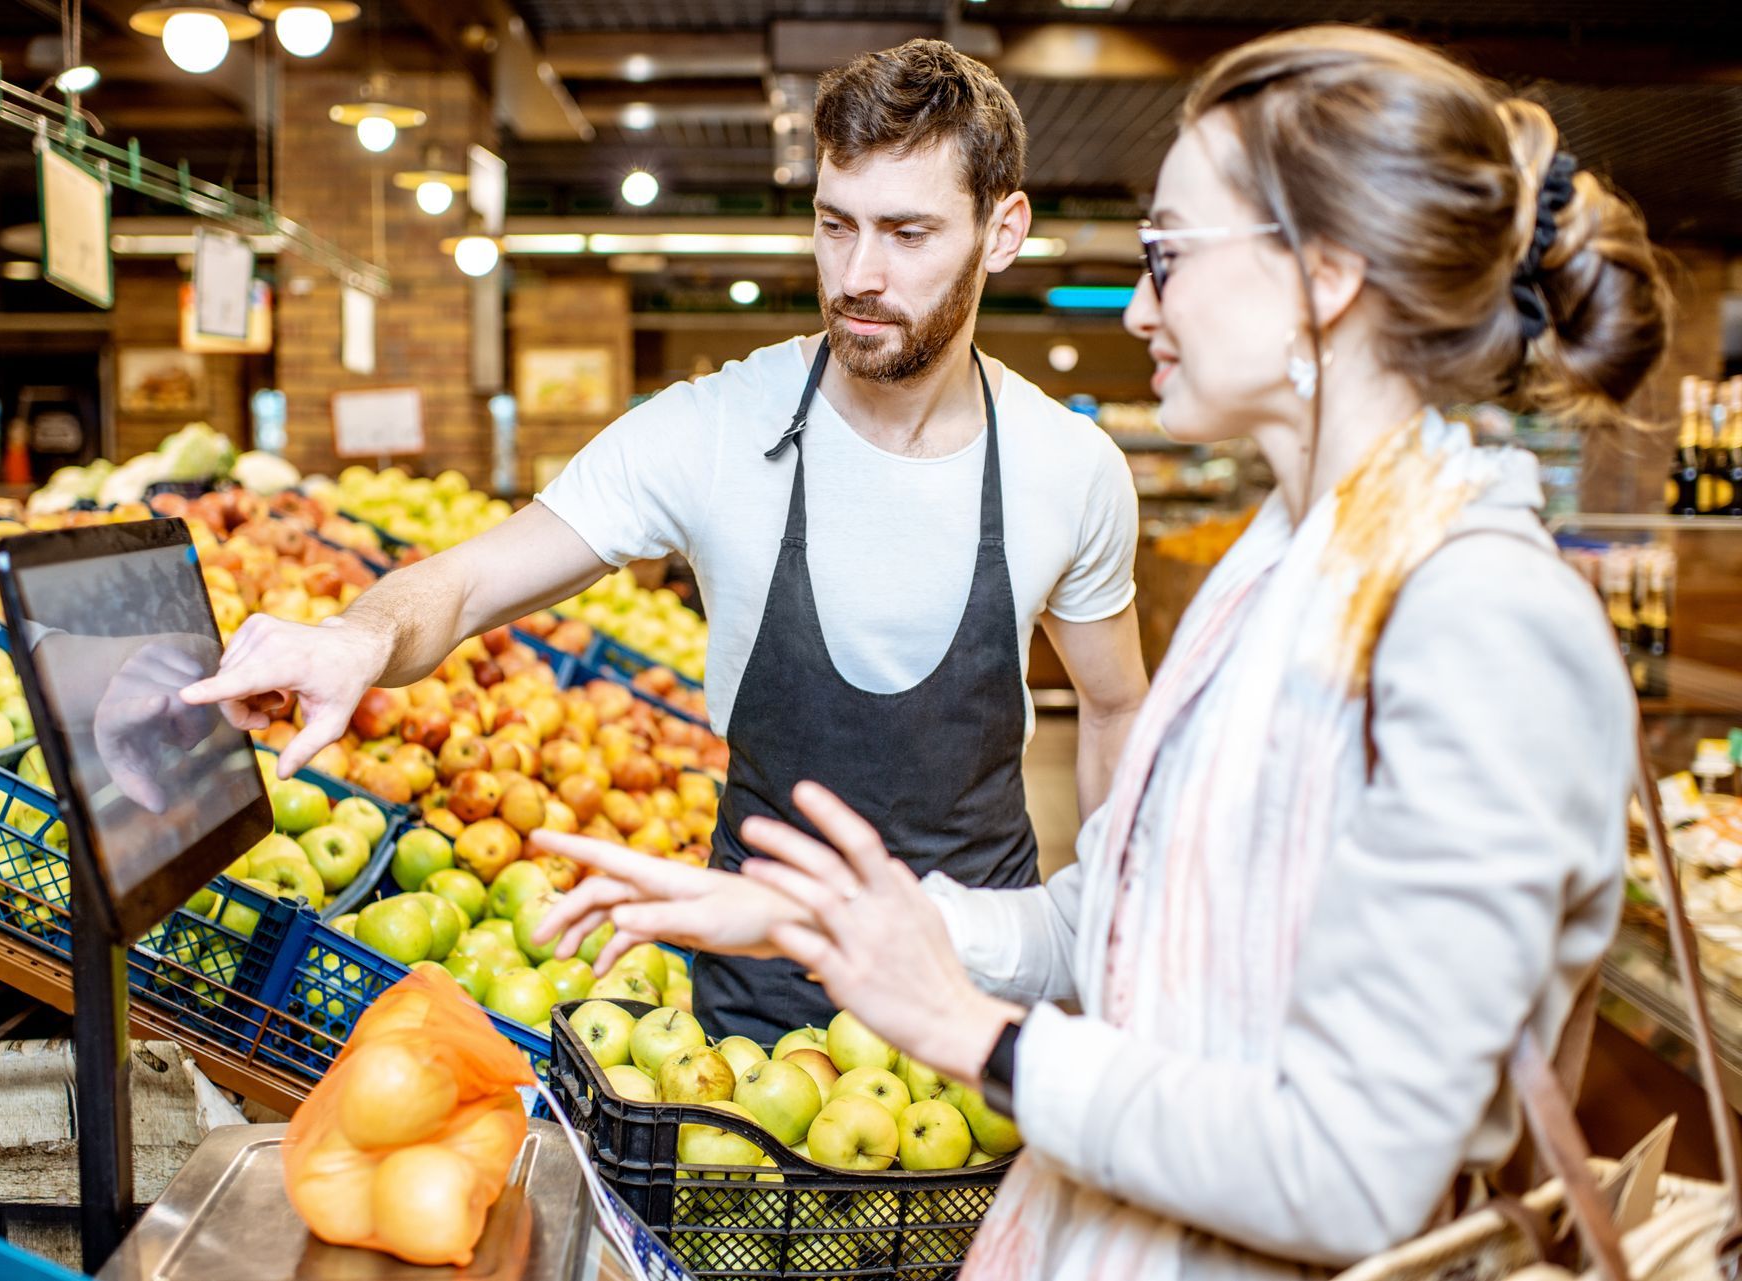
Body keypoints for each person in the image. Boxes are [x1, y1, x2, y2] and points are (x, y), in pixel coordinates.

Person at [533, 24, 1669, 1281]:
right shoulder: (1293, 565)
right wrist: (808, 916)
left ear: (1327, 274)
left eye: (1169, 256)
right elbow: (1125, 917)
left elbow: (1354, 1169)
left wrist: (979, 1039)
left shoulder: (1481, 622)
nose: (1136, 305)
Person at [183, 39, 1149, 1041]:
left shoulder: (1066, 468)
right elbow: (471, 583)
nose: (859, 274)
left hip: (981, 988)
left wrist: (1116, 954)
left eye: (908, 233)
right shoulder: (716, 429)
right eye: (835, 225)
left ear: (1003, 231)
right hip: (761, 1007)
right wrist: (360, 636)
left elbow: (1116, 705)